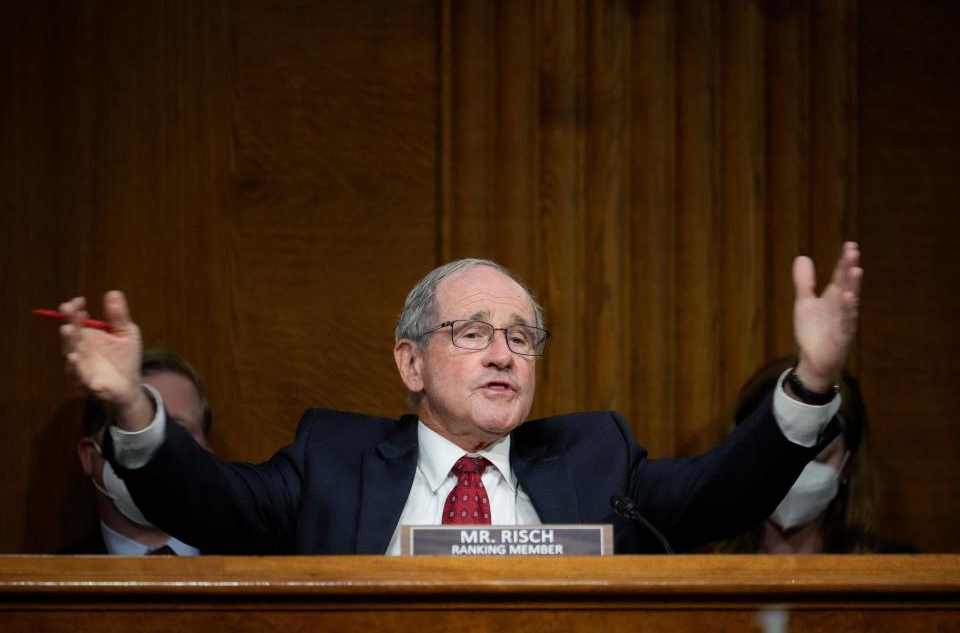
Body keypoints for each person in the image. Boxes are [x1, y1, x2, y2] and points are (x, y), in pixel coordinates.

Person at [56, 243, 863, 554]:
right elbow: (211, 505)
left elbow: (721, 492)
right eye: (472, 333)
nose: (504, 353)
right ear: (411, 362)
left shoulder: (595, 458)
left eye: (522, 337)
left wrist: (812, 384)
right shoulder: (333, 461)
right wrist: (132, 408)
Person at [711, 357, 917, 554]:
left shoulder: (901, 576)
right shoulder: (697, 573)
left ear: (847, 464)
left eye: (819, 455)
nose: (795, 472)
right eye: (778, 454)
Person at [60, 349, 213, 555]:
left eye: (178, 432)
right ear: (89, 456)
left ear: (209, 455)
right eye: (132, 433)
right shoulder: (43, 583)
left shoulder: (261, 572)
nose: (156, 455)